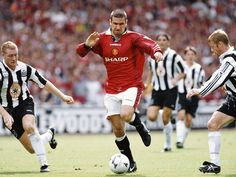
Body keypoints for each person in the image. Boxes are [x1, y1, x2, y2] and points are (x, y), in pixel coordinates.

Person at [76, 9, 162, 172]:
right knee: (117, 129)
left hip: (132, 85)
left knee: (126, 115)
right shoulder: (101, 39)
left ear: (126, 23)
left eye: (121, 24)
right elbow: (80, 53)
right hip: (112, 89)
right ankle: (130, 162)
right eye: (115, 23)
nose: (118, 27)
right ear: (110, 22)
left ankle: (140, 126)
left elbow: (150, 44)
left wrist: (157, 52)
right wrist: (87, 44)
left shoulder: (133, 37)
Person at [0, 41, 74, 172]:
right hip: (7, 109)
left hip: (24, 103)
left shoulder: (24, 69)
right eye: (10, 55)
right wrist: (5, 114)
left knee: (29, 126)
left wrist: (63, 96)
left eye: (15, 55)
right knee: (32, 149)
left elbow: (44, 82)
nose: (13, 58)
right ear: (3, 55)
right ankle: (49, 135)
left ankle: (44, 164)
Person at [187, 29, 236, 174]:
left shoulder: (231, 59)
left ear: (220, 44)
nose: (212, 50)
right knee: (213, 124)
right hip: (233, 100)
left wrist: (200, 91)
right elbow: (220, 77)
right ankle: (215, 164)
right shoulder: (228, 58)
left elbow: (218, 78)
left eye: (213, 46)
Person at [146, 33, 185, 152]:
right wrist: (147, 85)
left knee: (164, 118)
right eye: (159, 40)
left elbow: (183, 72)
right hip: (157, 90)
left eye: (164, 40)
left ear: (168, 42)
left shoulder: (174, 56)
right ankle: (165, 112)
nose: (162, 42)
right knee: (151, 117)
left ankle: (167, 145)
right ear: (156, 41)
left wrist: (176, 79)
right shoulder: (151, 56)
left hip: (170, 90)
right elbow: (151, 72)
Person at [176, 46, 205, 148]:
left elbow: (202, 82)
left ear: (195, 56)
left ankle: (182, 140)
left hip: (194, 96)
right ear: (185, 55)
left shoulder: (199, 68)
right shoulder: (180, 66)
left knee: (188, 120)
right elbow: (174, 79)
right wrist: (179, 77)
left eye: (192, 54)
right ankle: (179, 140)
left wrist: (202, 91)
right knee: (181, 115)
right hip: (182, 94)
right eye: (188, 54)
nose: (190, 56)